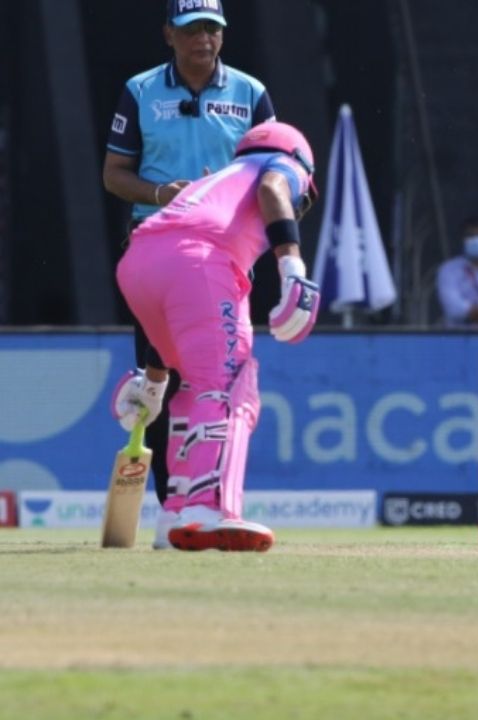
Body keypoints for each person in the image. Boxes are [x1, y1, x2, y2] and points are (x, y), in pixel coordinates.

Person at [102, 0, 275, 548]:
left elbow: (275, 171)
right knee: (160, 380)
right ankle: (169, 509)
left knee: (217, 379)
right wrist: (162, 194)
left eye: (212, 29)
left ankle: (198, 502)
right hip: (156, 249)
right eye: (191, 29)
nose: (203, 39)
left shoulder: (250, 92)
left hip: (225, 254)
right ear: (168, 35)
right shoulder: (141, 89)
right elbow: (114, 174)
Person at [111, 121, 320, 552]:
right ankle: (207, 509)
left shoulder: (212, 183)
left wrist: (152, 382)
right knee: (229, 385)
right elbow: (274, 191)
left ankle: (174, 514)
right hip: (200, 261)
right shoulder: (281, 162)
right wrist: (293, 268)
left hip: (139, 263)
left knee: (188, 384)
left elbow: (174, 297)